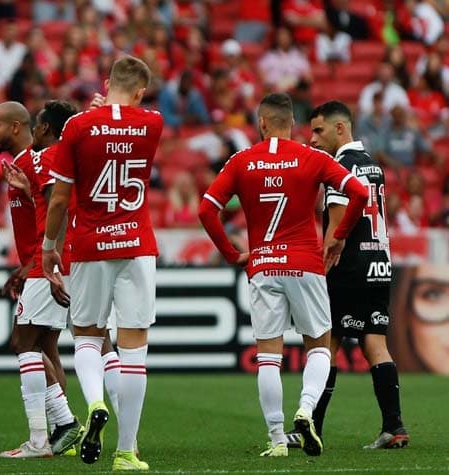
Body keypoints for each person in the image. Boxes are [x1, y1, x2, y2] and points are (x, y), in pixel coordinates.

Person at [198, 93, 369, 457]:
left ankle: (277, 439)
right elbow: (359, 192)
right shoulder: (313, 157)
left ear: (261, 123)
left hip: (263, 264)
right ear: (293, 124)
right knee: (319, 346)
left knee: (268, 357)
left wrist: (232, 255)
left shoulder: (241, 161)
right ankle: (305, 411)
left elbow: (206, 210)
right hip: (306, 263)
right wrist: (337, 238)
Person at [42, 56, 162, 471]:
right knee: (134, 350)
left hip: (89, 243)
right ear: (141, 92)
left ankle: (95, 402)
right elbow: (122, 127)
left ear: (106, 81)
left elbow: (59, 198)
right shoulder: (153, 122)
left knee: (87, 337)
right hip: (137, 245)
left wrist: (47, 246)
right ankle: (127, 452)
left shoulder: (77, 126)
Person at [302, 100, 409, 449]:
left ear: (340, 129)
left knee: (325, 344)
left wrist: (319, 265)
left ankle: (310, 427)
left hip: (346, 267)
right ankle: (394, 426)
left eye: (319, 131)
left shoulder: (341, 167)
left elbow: (336, 228)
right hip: (379, 263)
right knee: (375, 343)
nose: (313, 139)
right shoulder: (372, 165)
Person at [0, 100, 81, 458]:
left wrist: (37, 264)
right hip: (43, 265)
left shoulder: (37, 159)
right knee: (47, 347)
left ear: (18, 126)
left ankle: (49, 433)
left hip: (48, 265)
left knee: (24, 344)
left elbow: (58, 207)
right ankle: (64, 432)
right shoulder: (28, 163)